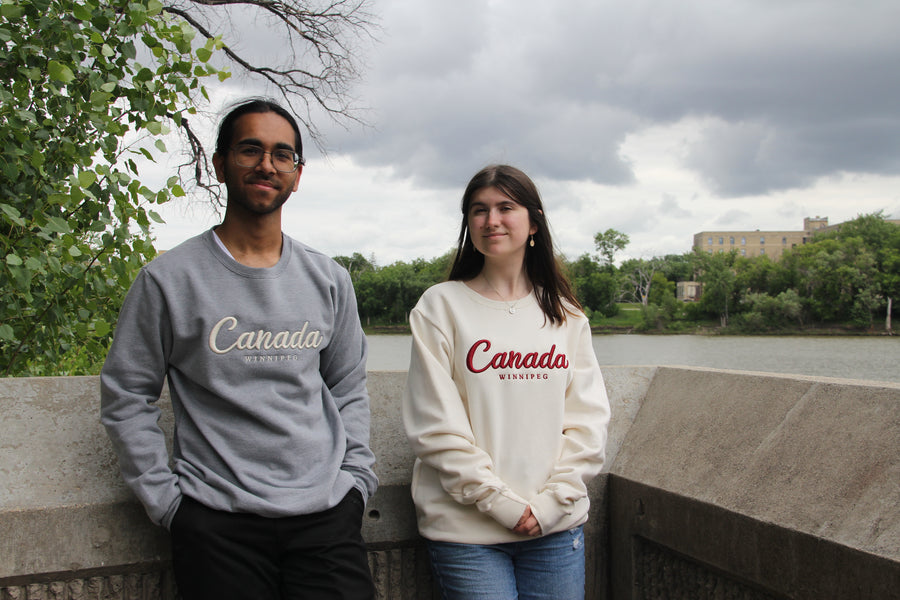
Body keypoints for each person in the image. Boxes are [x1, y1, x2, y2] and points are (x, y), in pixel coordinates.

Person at [100, 98, 377, 600]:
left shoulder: (329, 279)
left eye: (282, 154)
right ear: (220, 163)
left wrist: (355, 483)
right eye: (250, 149)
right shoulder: (168, 280)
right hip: (216, 525)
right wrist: (168, 504)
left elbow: (349, 386)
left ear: (297, 174)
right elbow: (126, 394)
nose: (267, 164)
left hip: (326, 519)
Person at [402, 165, 611, 600]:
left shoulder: (566, 315)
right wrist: (503, 505)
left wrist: (551, 504)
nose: (490, 220)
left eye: (505, 207)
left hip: (555, 529)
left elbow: (588, 423)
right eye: (478, 210)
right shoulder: (440, 308)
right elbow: (435, 427)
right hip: (466, 533)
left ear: (533, 222)